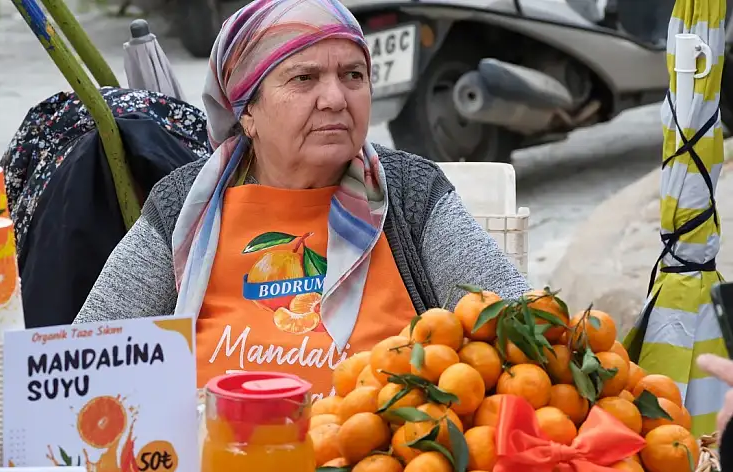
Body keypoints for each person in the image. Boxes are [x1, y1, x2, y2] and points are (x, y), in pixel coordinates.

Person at [75, 0, 528, 391]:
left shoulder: (411, 193)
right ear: (247, 111)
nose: (334, 98)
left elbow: (518, 324)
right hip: (215, 464)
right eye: (304, 78)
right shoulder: (184, 203)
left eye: (353, 75)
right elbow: (90, 355)